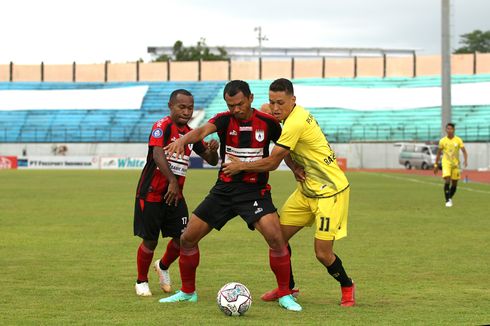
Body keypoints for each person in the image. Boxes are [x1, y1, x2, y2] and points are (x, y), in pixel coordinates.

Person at [160, 80, 302, 312]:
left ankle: (285, 294)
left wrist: (294, 166)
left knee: (277, 239)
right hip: (224, 191)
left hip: (254, 191)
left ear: (250, 99)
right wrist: (182, 140)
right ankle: (187, 293)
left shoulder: (268, 123)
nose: (235, 109)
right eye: (230, 105)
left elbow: (281, 149)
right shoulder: (224, 119)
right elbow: (201, 131)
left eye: (239, 104)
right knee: (187, 239)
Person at [222, 78, 356, 307]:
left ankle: (347, 285)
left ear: (293, 100)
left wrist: (240, 166)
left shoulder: (295, 123)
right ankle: (288, 288)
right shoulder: (282, 112)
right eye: (272, 102)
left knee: (322, 253)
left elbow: (274, 161)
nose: (275, 108)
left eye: (281, 103)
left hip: (330, 192)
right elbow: (264, 110)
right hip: (306, 190)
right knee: (278, 240)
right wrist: (296, 167)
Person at [134, 89, 219, 297]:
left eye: (190, 108)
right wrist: (172, 180)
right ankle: (141, 281)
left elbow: (211, 160)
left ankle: (162, 266)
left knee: (184, 238)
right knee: (150, 240)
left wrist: (213, 150)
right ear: (171, 106)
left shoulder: (191, 134)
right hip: (152, 193)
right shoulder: (161, 126)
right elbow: (157, 153)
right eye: (182, 107)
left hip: (175, 195)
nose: (187, 111)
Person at [433, 123, 468, 207]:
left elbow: (464, 151)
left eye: (451, 129)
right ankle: (447, 200)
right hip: (446, 163)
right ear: (446, 130)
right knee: (447, 179)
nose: (449, 130)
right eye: (447, 129)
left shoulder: (458, 140)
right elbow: (438, 154)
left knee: (455, 183)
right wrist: (436, 165)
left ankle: (449, 197)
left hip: (456, 164)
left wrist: (465, 160)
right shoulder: (442, 141)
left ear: (454, 130)